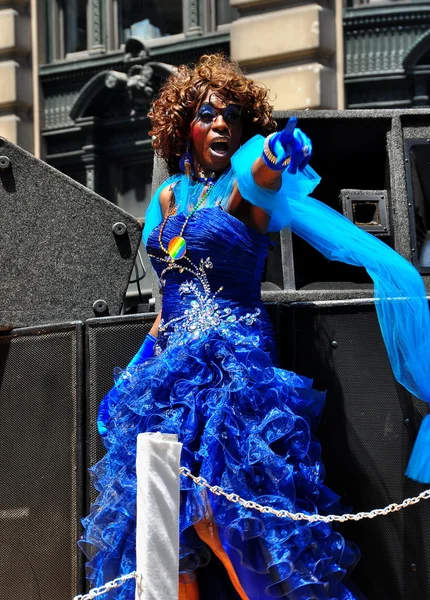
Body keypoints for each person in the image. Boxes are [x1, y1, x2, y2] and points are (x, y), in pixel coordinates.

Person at [79, 54, 430, 599]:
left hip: (230, 374)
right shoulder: (170, 195)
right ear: (184, 126)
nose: (222, 123)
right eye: (209, 113)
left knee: (224, 523)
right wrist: (134, 371)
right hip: (167, 379)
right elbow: (166, 301)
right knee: (161, 533)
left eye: (234, 116)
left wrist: (278, 151)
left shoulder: (244, 190)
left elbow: (261, 171)